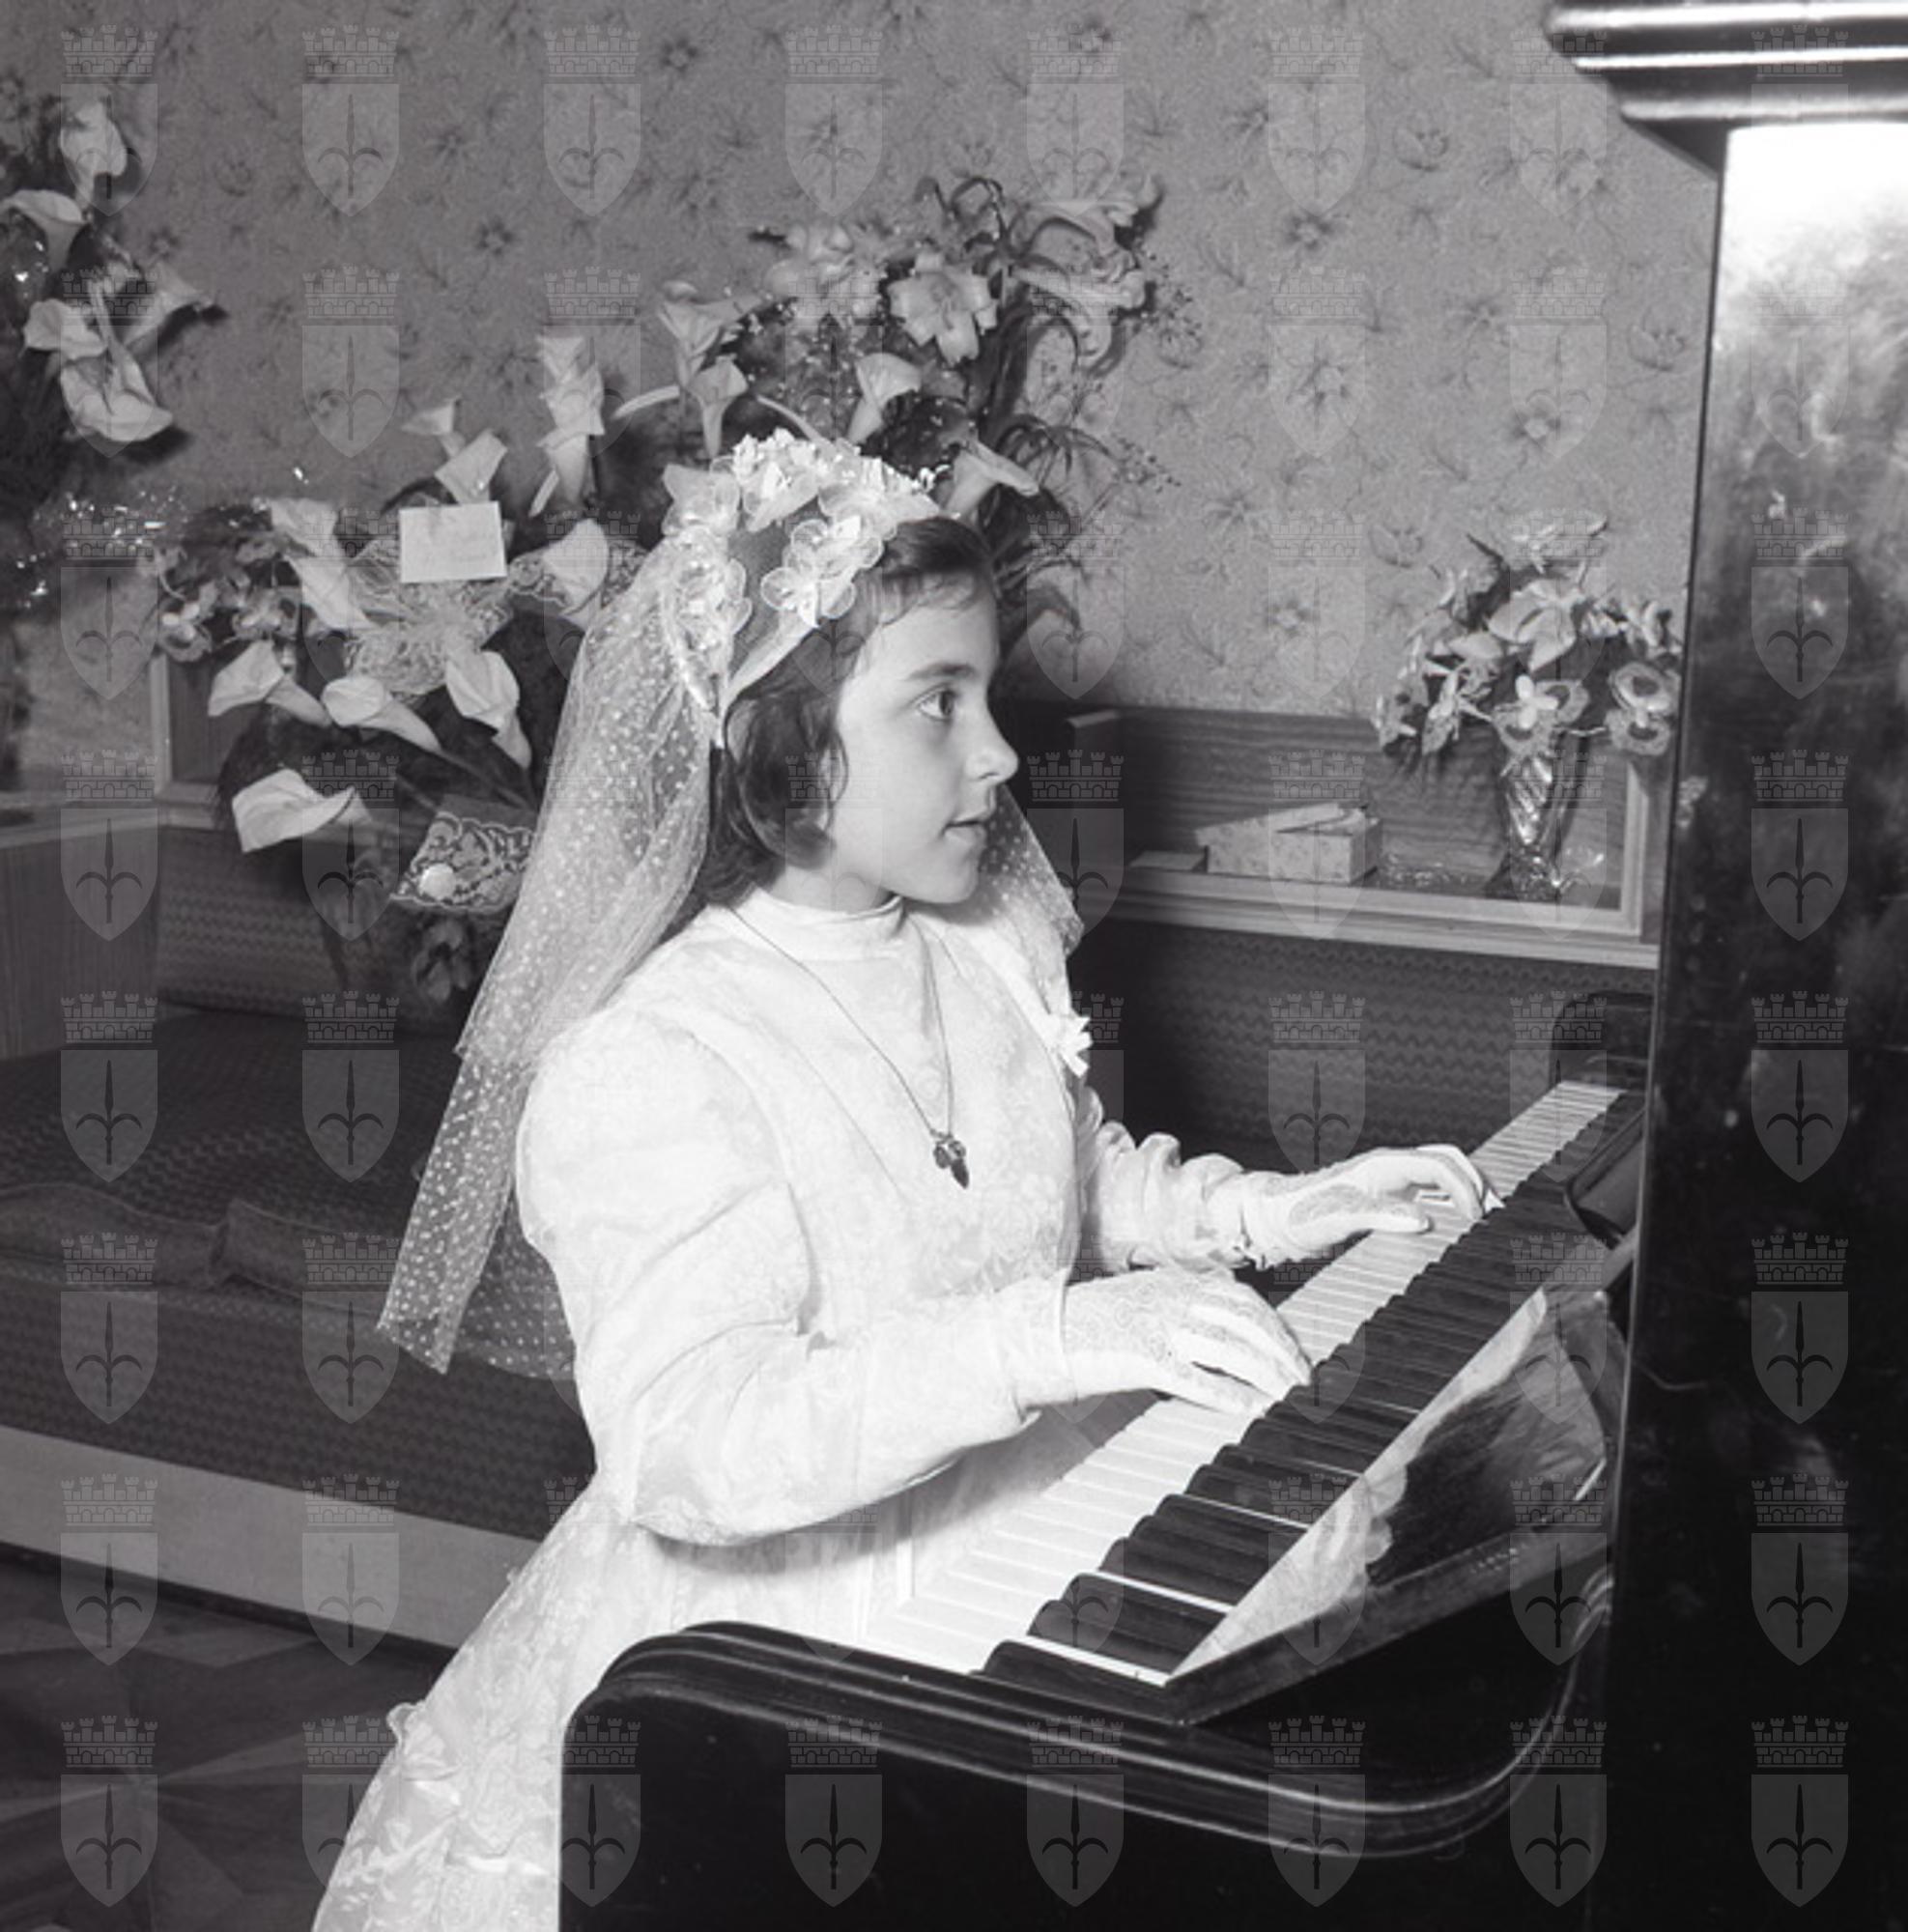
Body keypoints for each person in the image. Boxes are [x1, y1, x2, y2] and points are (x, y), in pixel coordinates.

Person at [315, 431, 1489, 1927]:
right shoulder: (648, 1058)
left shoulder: (987, 940)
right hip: (785, 1655)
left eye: (985, 696)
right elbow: (691, 1443)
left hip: (1051, 1526)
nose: (997, 754)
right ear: (786, 745)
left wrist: (1277, 1211)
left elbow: (1061, 1183)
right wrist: (1042, 1340)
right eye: (939, 702)